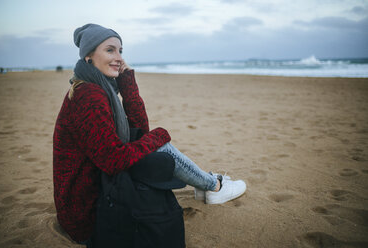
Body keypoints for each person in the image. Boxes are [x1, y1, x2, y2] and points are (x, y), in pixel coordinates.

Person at [53, 23, 247, 245]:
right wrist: (158, 136)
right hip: (87, 216)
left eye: (120, 50)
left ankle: (209, 184)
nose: (118, 57)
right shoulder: (88, 95)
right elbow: (114, 159)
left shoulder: (97, 87)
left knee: (150, 144)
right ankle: (214, 186)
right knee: (158, 146)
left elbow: (139, 130)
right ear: (89, 56)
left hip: (94, 196)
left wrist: (127, 83)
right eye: (110, 50)